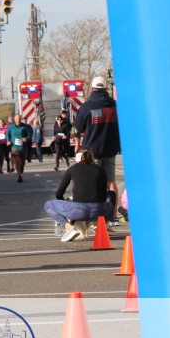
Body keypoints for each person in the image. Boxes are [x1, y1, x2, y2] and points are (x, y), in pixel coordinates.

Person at [73, 76, 122, 225]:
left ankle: (96, 219)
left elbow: (78, 128)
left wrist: (78, 145)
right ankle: (112, 216)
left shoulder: (86, 107)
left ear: (92, 89)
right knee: (110, 182)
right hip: (110, 149)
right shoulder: (115, 105)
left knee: (93, 183)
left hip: (92, 151)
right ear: (106, 88)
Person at [43, 148, 113, 241]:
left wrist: (66, 202)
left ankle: (69, 228)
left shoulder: (72, 169)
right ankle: (102, 226)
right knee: (111, 196)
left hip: (78, 211)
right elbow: (104, 195)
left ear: (77, 159)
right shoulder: (100, 169)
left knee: (48, 205)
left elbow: (59, 193)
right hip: (99, 211)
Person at [7, 114, 32, 183]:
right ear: (14, 120)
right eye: (17, 119)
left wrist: (26, 138)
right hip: (14, 146)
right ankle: (19, 176)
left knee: (22, 162)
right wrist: (8, 140)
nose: (18, 120)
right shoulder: (11, 126)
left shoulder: (25, 126)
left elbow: (29, 134)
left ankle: (22, 166)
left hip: (23, 147)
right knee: (17, 161)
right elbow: (7, 133)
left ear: (21, 119)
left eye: (19, 119)